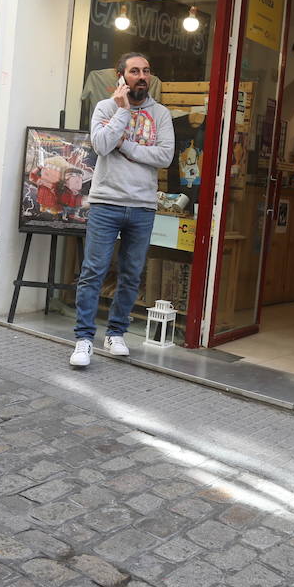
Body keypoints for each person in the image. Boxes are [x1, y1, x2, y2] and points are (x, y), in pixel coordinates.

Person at [70, 52, 174, 368]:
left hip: (142, 206)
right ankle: (84, 339)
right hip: (106, 202)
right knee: (93, 271)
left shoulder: (161, 114)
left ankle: (116, 333)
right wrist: (123, 111)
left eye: (146, 71)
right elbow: (101, 145)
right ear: (121, 76)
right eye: (134, 71)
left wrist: (126, 146)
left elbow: (165, 156)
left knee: (131, 274)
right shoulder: (106, 108)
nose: (142, 76)